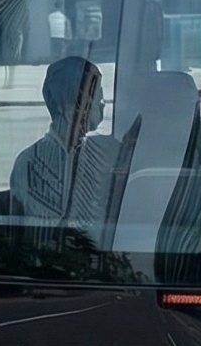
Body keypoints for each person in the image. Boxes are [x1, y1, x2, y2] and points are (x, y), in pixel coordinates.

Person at [10, 55, 123, 232]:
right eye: (95, 100)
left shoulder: (106, 153)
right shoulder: (30, 163)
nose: (102, 107)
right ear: (66, 104)